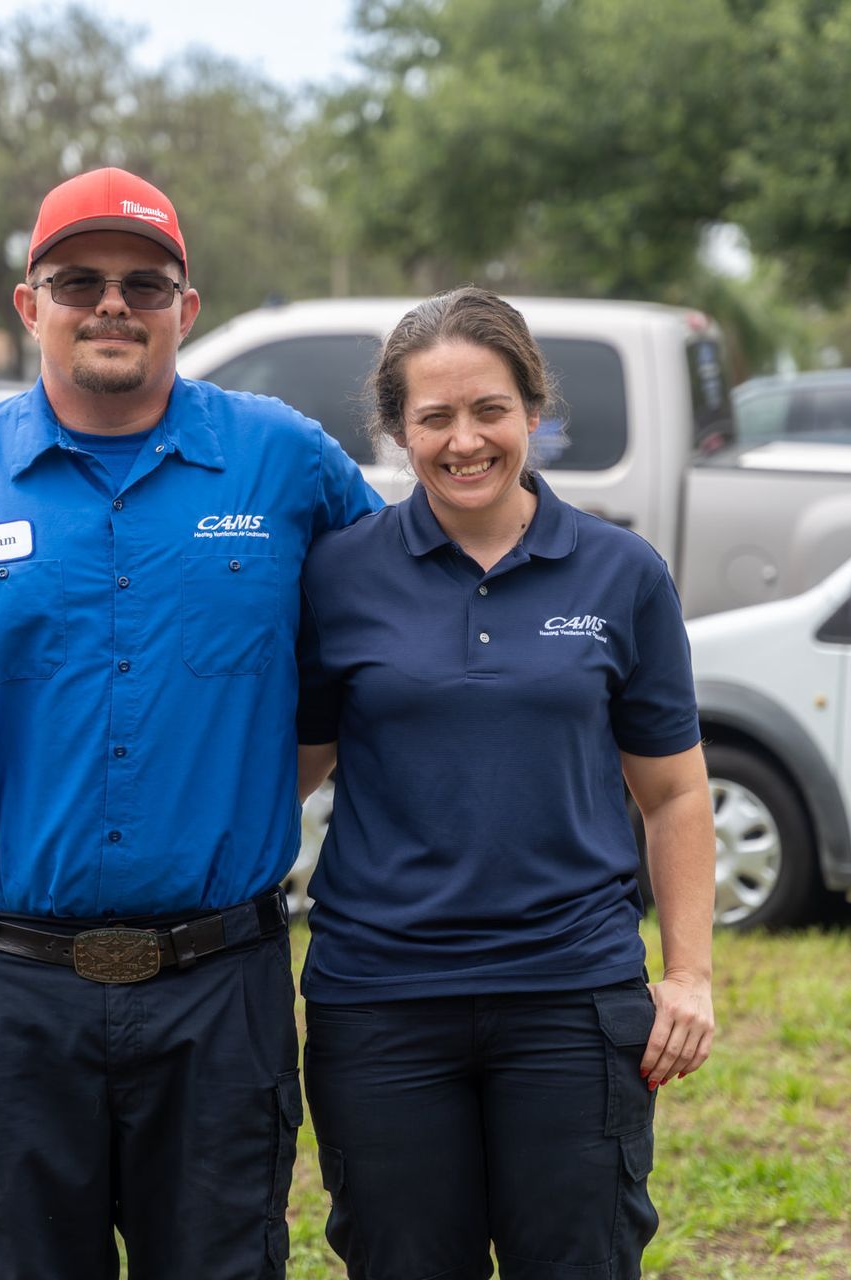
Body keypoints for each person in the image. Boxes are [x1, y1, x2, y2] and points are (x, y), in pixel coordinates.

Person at [0, 167, 381, 1279]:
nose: (113, 304)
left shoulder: (286, 462)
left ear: (185, 310)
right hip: (6, 998)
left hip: (222, 989)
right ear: (31, 304)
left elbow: (395, 632)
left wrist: (252, 780)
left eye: (145, 284)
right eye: (80, 280)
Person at [295, 286, 717, 1280]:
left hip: (572, 999)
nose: (465, 439)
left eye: (489, 408)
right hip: (380, 1001)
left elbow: (675, 793)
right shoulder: (337, 576)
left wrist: (689, 974)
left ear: (535, 409)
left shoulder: (621, 572)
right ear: (398, 430)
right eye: (434, 416)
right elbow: (291, 771)